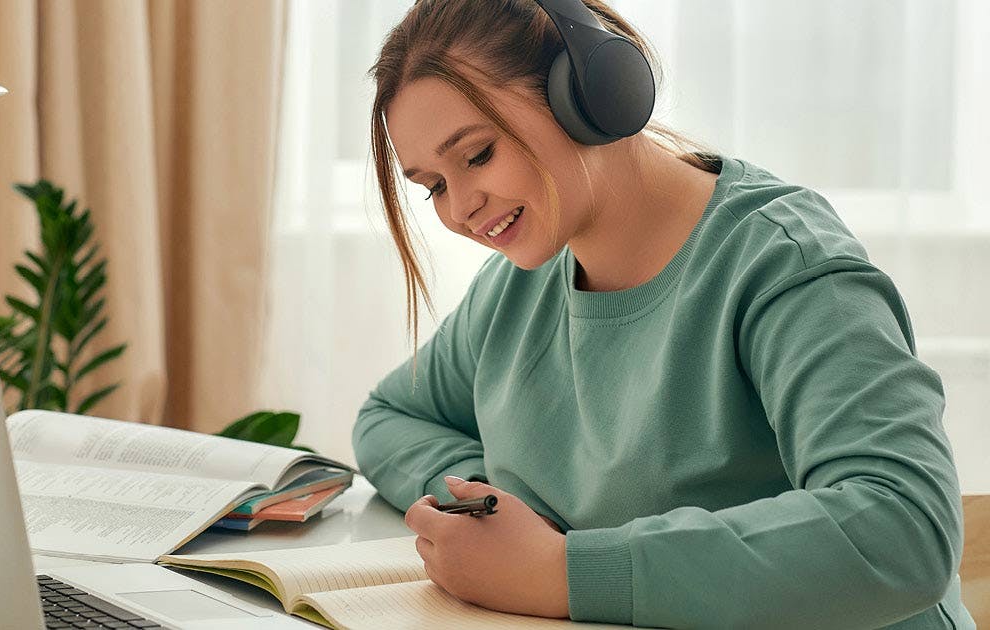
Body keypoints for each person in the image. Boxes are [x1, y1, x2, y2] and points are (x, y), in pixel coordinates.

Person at [352, 1, 975, 628]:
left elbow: (905, 527)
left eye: (478, 154)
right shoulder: (518, 285)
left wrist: (562, 570)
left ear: (592, 95)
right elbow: (390, 417)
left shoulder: (783, 264)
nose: (459, 207)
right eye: (431, 184)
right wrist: (488, 508)